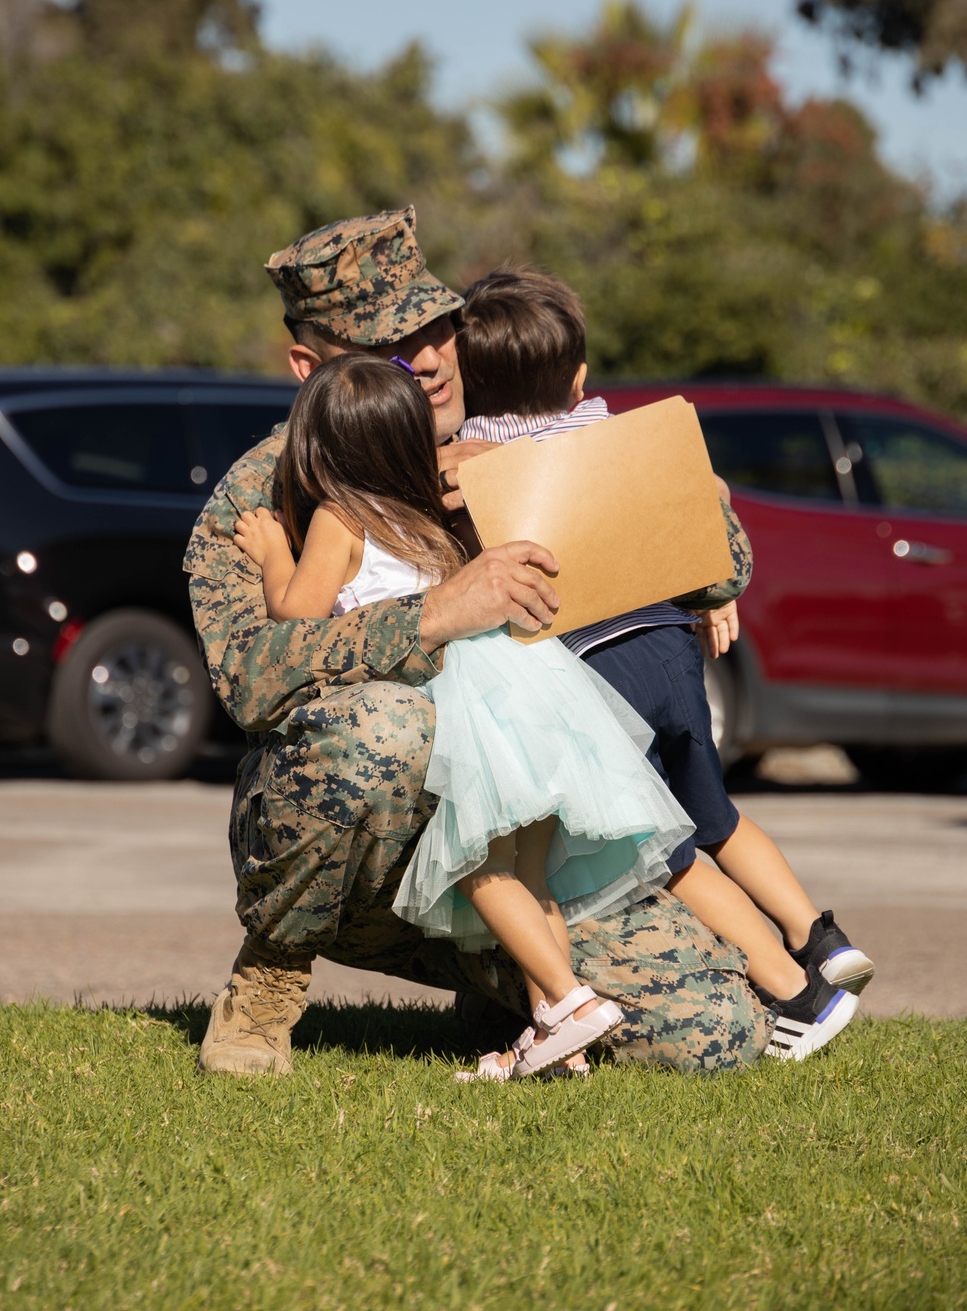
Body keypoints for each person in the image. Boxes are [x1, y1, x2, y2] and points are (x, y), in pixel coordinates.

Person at [187, 205, 772, 1079]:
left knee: (717, 1034)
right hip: (370, 852)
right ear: (309, 367)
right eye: (386, 348)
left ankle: (503, 986)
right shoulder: (265, 494)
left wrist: (686, 484)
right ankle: (269, 982)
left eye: (437, 328)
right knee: (380, 732)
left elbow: (718, 562)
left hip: (530, 845)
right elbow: (251, 681)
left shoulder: (513, 434)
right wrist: (433, 613)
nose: (425, 359)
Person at [446, 267, 873, 1057]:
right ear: (580, 379)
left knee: (670, 856)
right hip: (674, 651)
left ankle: (799, 998)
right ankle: (818, 934)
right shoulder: (618, 432)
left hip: (599, 673)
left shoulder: (476, 459)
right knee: (718, 818)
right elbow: (703, 486)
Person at [232, 352, 696, 1079]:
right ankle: (551, 1029)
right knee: (534, 877)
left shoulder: (340, 517)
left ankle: (572, 1005)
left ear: (318, 452)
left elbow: (298, 615)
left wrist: (269, 555)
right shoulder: (433, 521)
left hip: (472, 716)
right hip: (534, 700)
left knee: (482, 868)